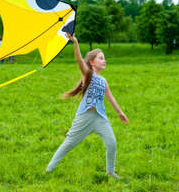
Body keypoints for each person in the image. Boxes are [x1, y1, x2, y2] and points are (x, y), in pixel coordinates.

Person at [46, 33, 129, 179]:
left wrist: (120, 113)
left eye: (104, 58)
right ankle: (49, 169)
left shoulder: (104, 81)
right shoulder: (88, 74)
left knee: (112, 143)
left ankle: (110, 172)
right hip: (84, 117)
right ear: (91, 62)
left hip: (100, 118)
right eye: (101, 58)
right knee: (68, 144)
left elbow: (110, 98)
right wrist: (75, 42)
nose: (105, 61)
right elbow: (78, 59)